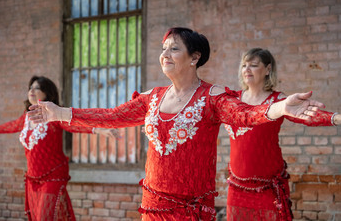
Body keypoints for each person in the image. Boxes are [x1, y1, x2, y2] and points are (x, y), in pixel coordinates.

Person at [27, 28, 325, 220]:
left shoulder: (212, 97)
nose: (165, 54)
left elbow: (246, 115)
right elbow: (111, 116)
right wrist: (59, 112)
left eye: (174, 49)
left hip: (191, 210)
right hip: (152, 205)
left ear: (195, 57)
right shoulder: (152, 98)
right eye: (164, 48)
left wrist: (281, 106)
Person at [224, 48, 340, 221]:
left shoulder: (278, 100)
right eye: (244, 65)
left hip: (268, 187)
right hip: (236, 186)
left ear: (268, 69)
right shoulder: (232, 99)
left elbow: (306, 116)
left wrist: (337, 118)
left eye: (253, 65)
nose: (246, 69)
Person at [0, 76, 118, 221]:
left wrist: (99, 130)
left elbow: (75, 125)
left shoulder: (54, 117)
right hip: (32, 178)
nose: (31, 90)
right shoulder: (26, 118)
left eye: (37, 87)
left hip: (53, 176)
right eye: (30, 87)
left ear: (47, 93)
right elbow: (11, 126)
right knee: (38, 217)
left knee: (44, 217)